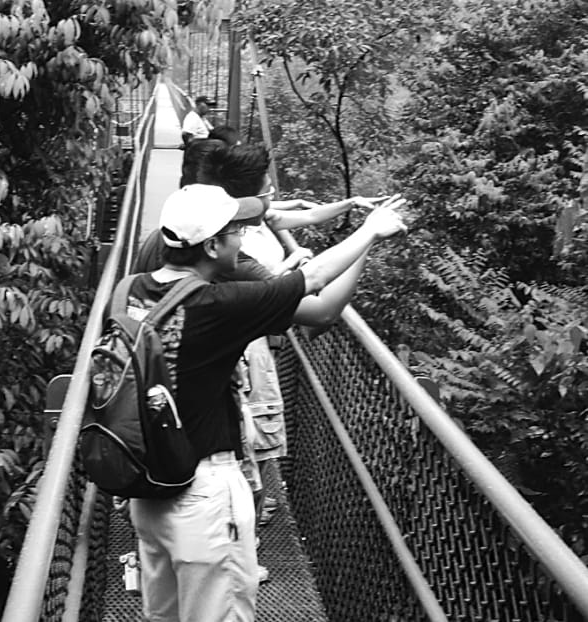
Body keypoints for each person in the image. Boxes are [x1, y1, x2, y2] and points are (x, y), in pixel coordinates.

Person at [125, 182, 407, 622]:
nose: (243, 237)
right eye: (236, 229)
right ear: (213, 244)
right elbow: (314, 286)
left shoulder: (130, 290)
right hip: (203, 497)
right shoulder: (220, 304)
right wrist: (371, 231)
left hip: (147, 489)